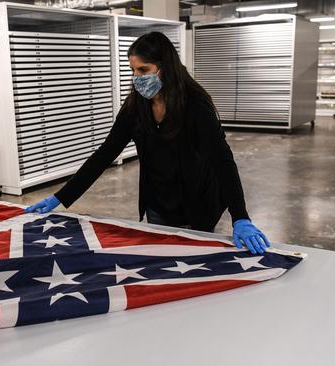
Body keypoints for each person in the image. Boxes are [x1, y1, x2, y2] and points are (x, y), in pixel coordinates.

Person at [25, 32, 271, 255]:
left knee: (194, 258)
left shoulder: (196, 105)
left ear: (164, 68)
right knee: (161, 258)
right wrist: (61, 197)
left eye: (143, 70)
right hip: (158, 202)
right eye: (133, 70)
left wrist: (240, 216)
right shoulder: (136, 107)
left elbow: (222, 160)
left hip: (197, 201)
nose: (137, 78)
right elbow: (105, 154)